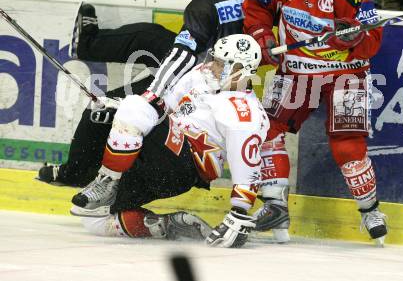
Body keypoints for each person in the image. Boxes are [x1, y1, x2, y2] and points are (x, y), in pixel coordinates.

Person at [38, 0, 250, 189]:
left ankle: (75, 173)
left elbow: (181, 58)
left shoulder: (203, 5)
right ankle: (89, 43)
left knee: (102, 107)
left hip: (192, 83)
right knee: (150, 36)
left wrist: (153, 94)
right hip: (228, 78)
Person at [242, 0, 388, 245]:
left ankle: (370, 211)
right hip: (296, 70)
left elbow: (372, 38)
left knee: (347, 146)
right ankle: (275, 206)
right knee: (266, 130)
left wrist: (350, 39)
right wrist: (263, 34)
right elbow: (255, 5)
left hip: (345, 75)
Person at [70, 34, 269, 249]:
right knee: (92, 216)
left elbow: (247, 166)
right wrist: (117, 109)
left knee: (136, 105)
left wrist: (239, 214)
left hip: (183, 164)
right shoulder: (200, 76)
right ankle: (168, 225)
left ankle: (107, 180)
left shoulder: (245, 113)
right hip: (156, 158)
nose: (212, 66)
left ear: (241, 69)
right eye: (214, 58)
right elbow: (161, 106)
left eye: (221, 63)